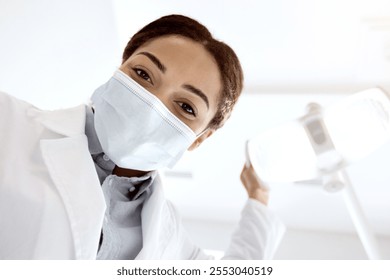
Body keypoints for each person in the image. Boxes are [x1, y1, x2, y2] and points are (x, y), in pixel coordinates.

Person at [0, 14, 284, 259]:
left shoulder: (169, 239)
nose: (152, 104)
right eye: (143, 74)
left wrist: (259, 197)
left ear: (198, 139)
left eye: (186, 107)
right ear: (119, 70)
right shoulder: (9, 122)